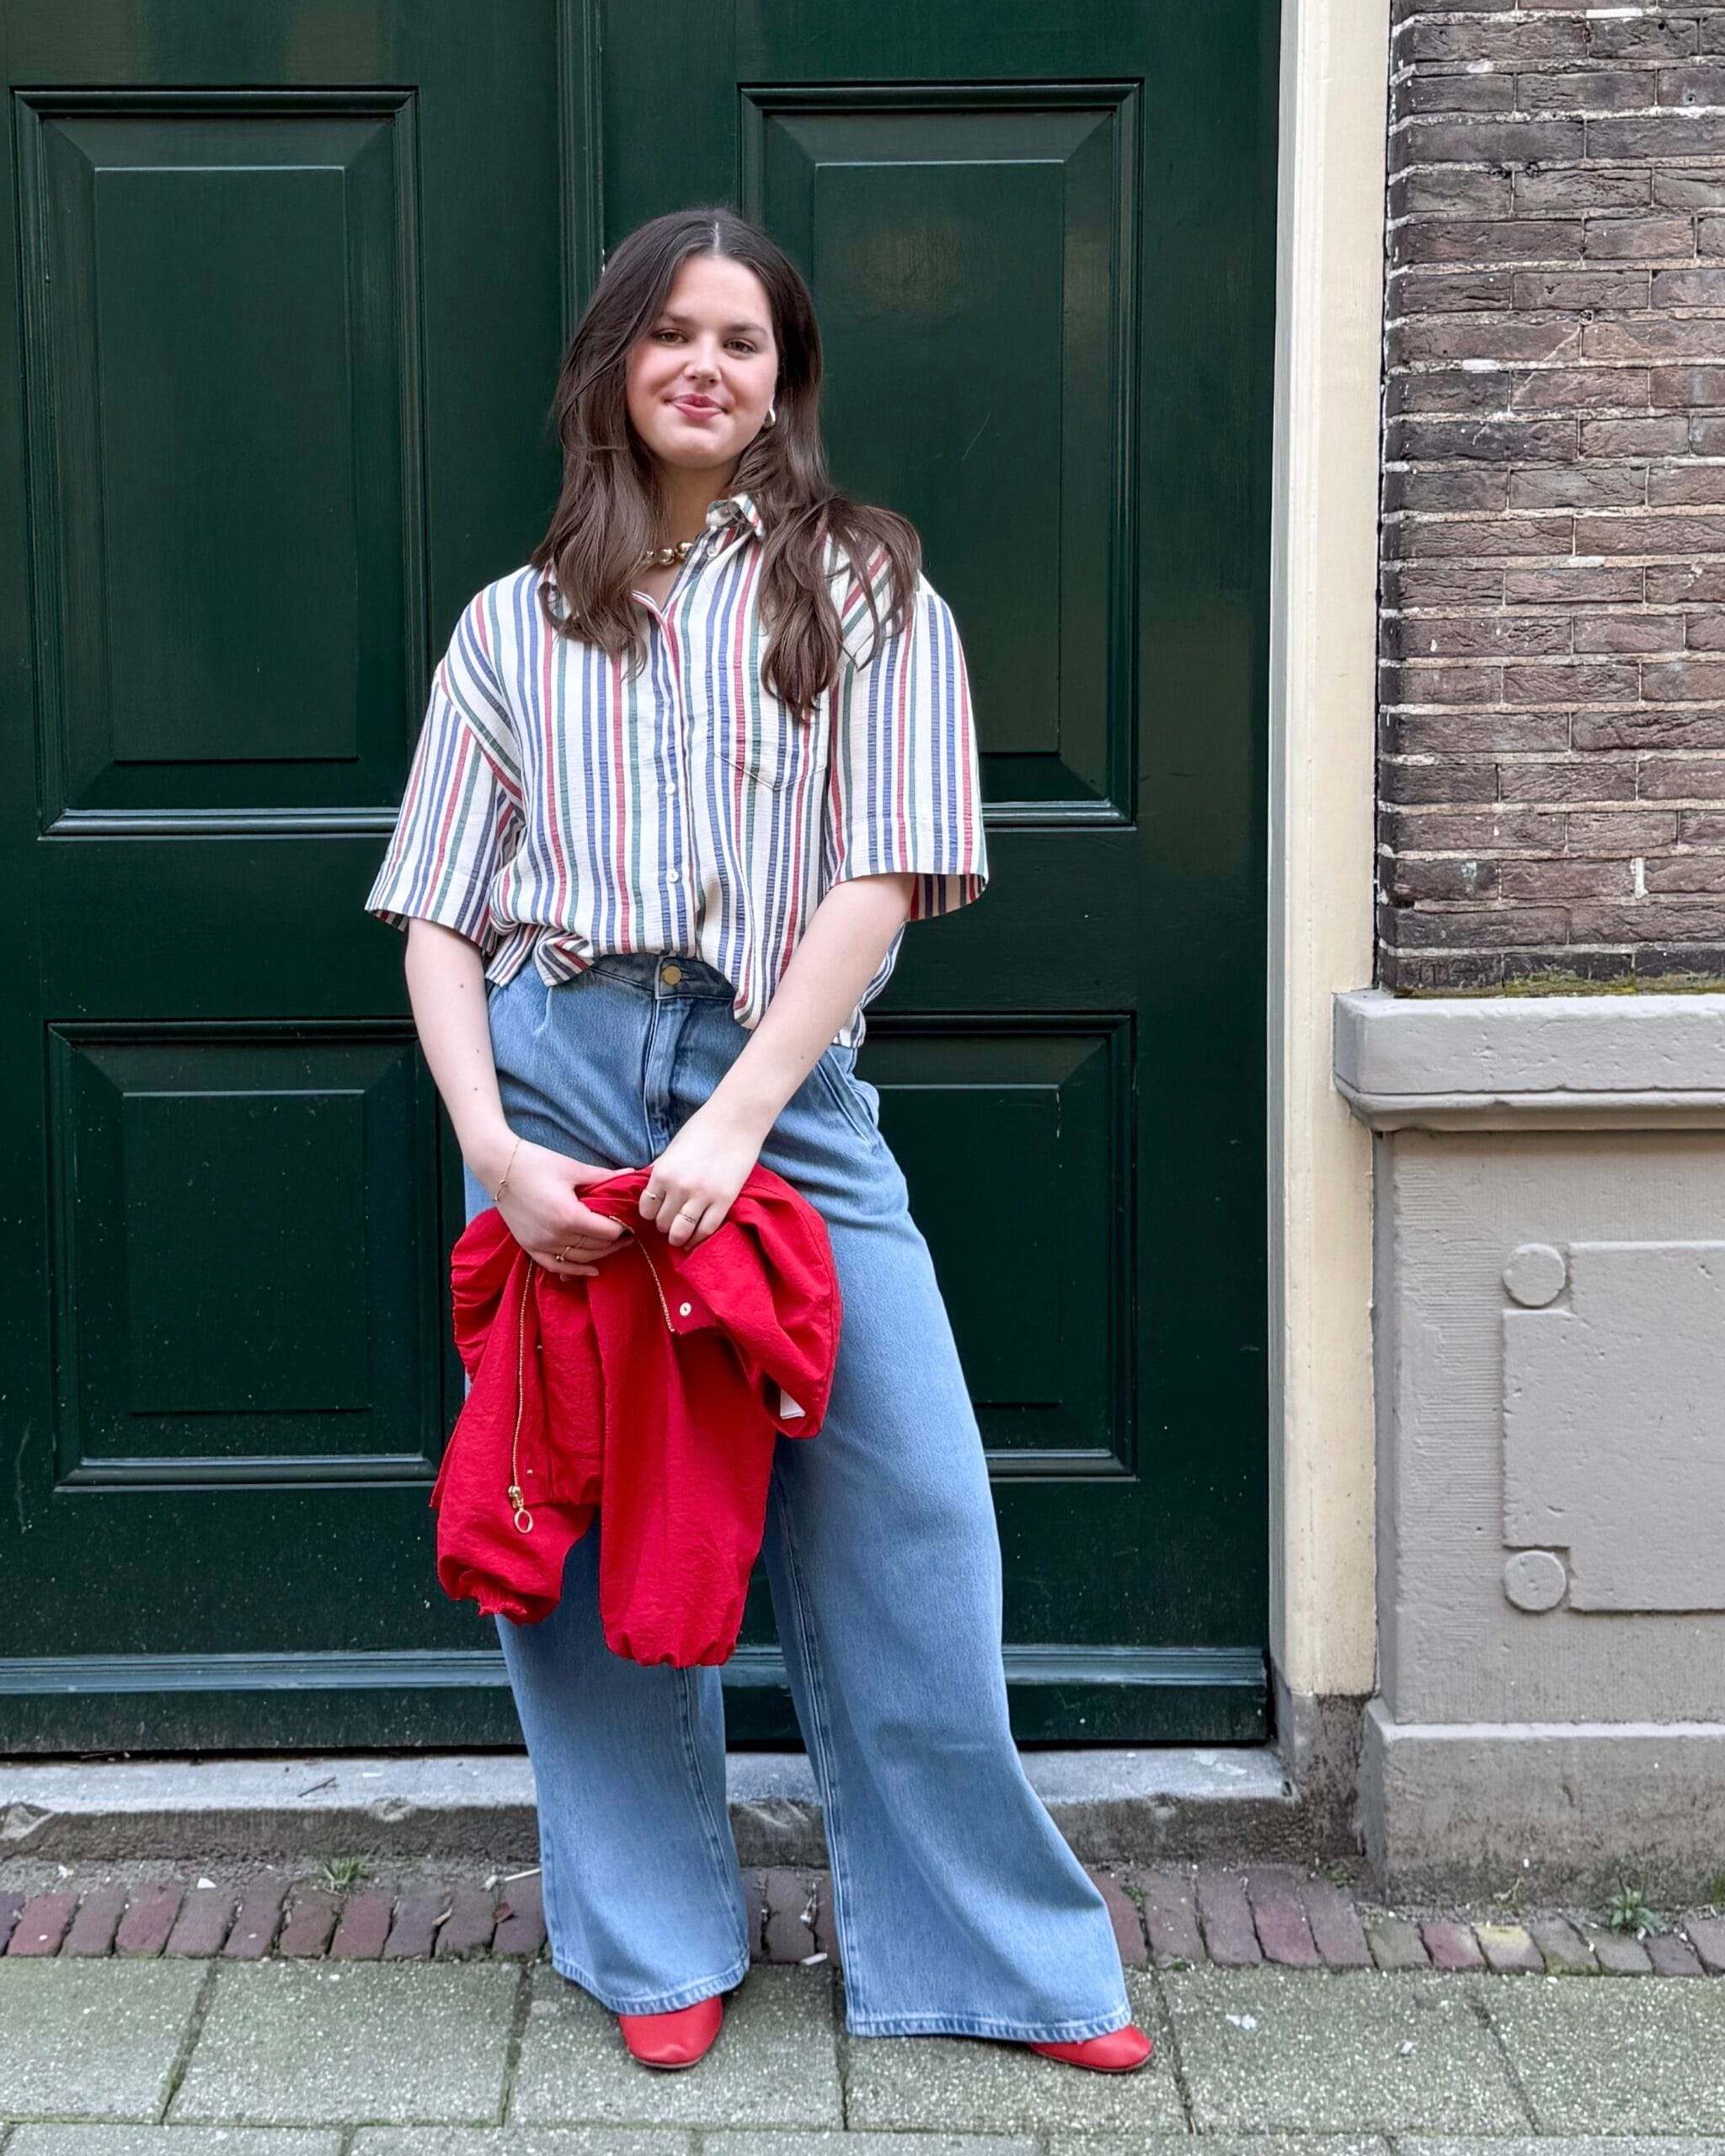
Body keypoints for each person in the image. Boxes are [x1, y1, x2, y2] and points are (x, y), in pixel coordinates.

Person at [364, 204, 1152, 2076]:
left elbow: (884, 875)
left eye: (743, 339)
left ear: (785, 376)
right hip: (554, 1086)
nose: (705, 366)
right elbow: (438, 918)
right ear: (613, 366)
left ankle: (994, 1960)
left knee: (910, 1515)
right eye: (672, 333)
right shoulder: (512, 625)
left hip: (777, 1091)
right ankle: (650, 1945)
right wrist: (494, 1152)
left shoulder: (866, 590)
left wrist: (740, 1114)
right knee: (575, 1521)